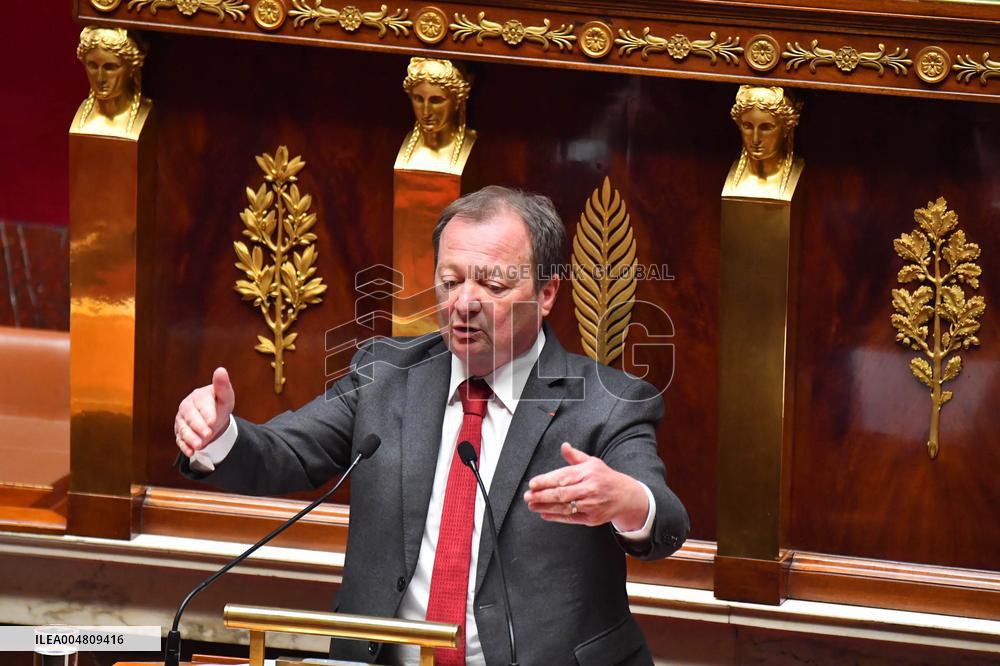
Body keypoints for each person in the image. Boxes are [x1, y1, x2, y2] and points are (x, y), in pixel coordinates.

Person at [174, 186, 689, 665]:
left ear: (547, 293)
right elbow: (282, 454)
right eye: (449, 282)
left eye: (491, 283)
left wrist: (628, 502)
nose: (463, 304)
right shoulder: (384, 375)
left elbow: (664, 519)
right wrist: (219, 434)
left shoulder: (609, 402)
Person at [394, 58, 477, 175]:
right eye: (418, 99)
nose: (426, 112)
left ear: (458, 100)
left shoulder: (470, 142)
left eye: (436, 100)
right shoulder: (405, 146)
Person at [724, 85, 803, 199]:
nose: (755, 139)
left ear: (787, 128)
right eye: (748, 126)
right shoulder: (733, 180)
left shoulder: (797, 170)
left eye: (766, 128)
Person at [73, 27, 152, 139]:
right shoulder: (81, 119)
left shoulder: (144, 114)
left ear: (131, 69)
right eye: (93, 66)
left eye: (110, 67)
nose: (100, 78)